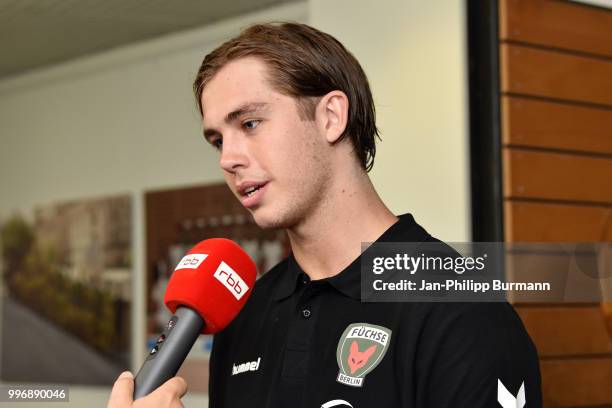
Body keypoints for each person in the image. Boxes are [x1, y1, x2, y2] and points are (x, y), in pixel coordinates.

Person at [108, 22, 542, 407]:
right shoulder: (246, 315)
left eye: (250, 124)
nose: (229, 158)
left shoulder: (461, 312)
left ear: (331, 117)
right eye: (218, 139)